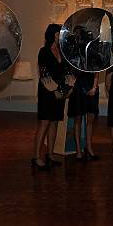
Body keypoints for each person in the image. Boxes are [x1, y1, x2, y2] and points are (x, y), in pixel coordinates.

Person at [33, 24, 75, 170]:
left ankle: (50, 154)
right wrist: (55, 90)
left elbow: (68, 71)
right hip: (47, 92)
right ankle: (36, 156)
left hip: (60, 92)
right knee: (44, 123)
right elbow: (44, 74)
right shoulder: (43, 52)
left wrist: (69, 88)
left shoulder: (62, 51)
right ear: (54, 35)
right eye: (59, 33)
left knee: (55, 122)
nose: (61, 35)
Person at [67, 70, 100, 160]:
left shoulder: (94, 55)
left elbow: (97, 70)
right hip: (78, 86)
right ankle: (78, 150)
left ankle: (89, 148)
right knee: (78, 119)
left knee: (91, 120)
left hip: (92, 86)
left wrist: (94, 87)